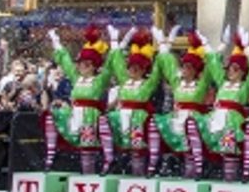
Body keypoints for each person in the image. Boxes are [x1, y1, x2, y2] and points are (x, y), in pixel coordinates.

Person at [44, 26, 114, 175]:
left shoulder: (99, 81)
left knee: (87, 152)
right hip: (75, 114)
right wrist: (55, 40)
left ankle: (90, 176)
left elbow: (109, 67)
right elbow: (66, 61)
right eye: (81, 63)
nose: (82, 66)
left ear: (94, 67)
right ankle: (50, 156)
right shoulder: (76, 79)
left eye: (87, 64)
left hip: (90, 116)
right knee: (51, 116)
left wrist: (114, 43)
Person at [103, 28, 168, 178]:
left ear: (143, 69)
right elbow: (117, 62)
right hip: (122, 118)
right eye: (131, 67)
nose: (133, 70)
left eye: (137, 68)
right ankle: (112, 162)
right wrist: (117, 41)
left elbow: (159, 69)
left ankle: (140, 177)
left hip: (139, 119)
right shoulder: (124, 81)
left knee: (138, 154)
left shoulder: (147, 84)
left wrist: (163, 46)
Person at [196, 30, 249, 182]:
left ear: (243, 72)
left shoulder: (245, 87)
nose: (231, 71)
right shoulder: (223, 83)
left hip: (232, 121)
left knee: (230, 149)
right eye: (230, 68)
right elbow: (213, 65)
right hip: (217, 118)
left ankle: (230, 178)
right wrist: (211, 46)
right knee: (196, 125)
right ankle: (198, 168)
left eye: (236, 69)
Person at [153, 28, 217, 178]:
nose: (185, 69)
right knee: (155, 123)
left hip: (194, 120)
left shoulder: (201, 84)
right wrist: (164, 45)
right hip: (177, 119)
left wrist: (207, 45)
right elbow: (168, 65)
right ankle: (155, 164)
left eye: (189, 67)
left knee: (191, 151)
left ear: (195, 70)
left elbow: (212, 66)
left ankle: (194, 172)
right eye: (184, 66)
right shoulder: (177, 83)